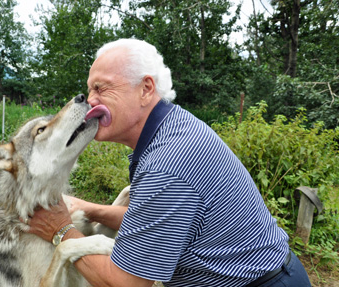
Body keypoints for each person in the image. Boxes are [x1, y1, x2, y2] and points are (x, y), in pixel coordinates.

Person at [26, 38, 311, 287]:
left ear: (146, 89)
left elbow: (126, 282)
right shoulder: (170, 129)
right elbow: (157, 223)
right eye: (89, 90)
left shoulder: (167, 164)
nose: (90, 100)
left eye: (101, 88)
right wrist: (94, 210)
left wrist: (61, 229)